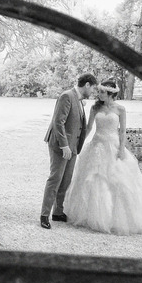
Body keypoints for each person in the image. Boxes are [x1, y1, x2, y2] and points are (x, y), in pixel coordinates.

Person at [64, 79, 142, 235]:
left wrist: (121, 149)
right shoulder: (95, 108)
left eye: (102, 92)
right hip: (97, 146)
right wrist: (78, 143)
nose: (99, 94)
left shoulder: (120, 110)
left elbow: (122, 131)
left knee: (119, 181)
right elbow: (88, 128)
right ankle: (93, 216)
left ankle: (118, 219)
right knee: (93, 179)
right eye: (99, 91)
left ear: (110, 93)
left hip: (114, 145)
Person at [40, 73, 98, 229]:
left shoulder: (79, 100)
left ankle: (57, 212)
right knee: (55, 178)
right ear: (87, 85)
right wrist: (64, 146)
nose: (93, 91)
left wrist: (71, 147)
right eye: (93, 88)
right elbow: (58, 123)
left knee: (66, 180)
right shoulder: (66, 96)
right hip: (61, 145)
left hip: (72, 146)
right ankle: (44, 215)